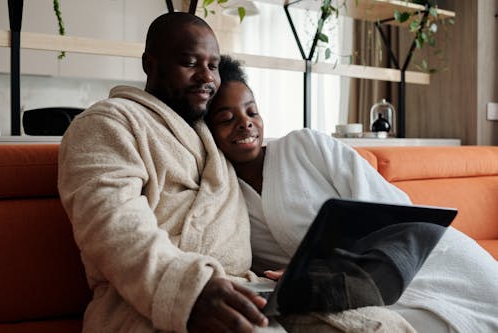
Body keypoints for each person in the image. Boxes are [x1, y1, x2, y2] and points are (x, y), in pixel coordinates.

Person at [57, 12, 413, 333]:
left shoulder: (208, 137)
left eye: (212, 65)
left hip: (247, 288)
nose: (206, 77)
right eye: (189, 62)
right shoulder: (107, 124)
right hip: (156, 299)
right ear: (150, 63)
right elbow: (113, 226)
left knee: (383, 326)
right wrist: (189, 290)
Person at [206, 55, 498, 333]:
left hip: (423, 257)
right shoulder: (227, 195)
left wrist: (324, 271)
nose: (245, 123)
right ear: (207, 131)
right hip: (346, 294)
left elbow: (390, 208)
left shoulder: (305, 146)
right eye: (226, 118)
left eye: (251, 111)